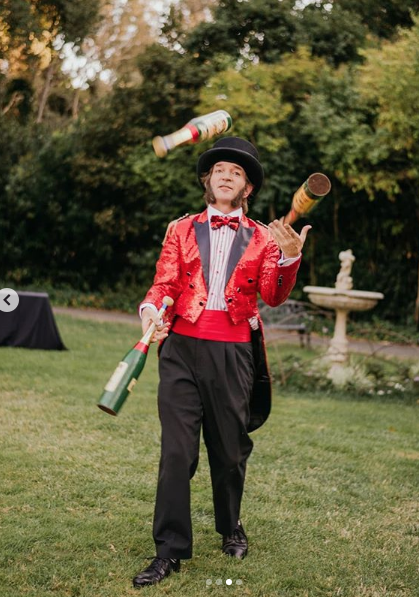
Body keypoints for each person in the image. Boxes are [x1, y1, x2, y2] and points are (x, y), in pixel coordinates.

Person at [133, 136, 311, 588]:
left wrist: (289, 257)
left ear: (246, 187)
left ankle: (231, 524)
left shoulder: (264, 238)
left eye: (237, 171)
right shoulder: (179, 229)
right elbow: (164, 282)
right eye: (220, 170)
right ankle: (169, 550)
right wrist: (153, 311)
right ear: (208, 180)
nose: (227, 175)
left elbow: (272, 294)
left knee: (229, 453)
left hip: (233, 353)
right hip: (180, 351)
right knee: (177, 453)